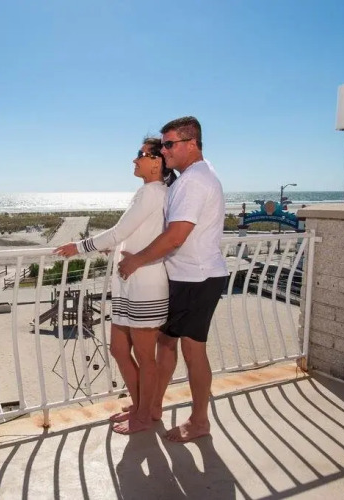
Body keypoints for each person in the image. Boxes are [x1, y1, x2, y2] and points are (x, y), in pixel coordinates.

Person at [118, 116, 227, 443]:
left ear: (191, 144)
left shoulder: (194, 181)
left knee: (193, 352)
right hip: (184, 277)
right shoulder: (197, 175)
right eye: (163, 145)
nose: (163, 151)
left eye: (169, 144)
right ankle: (152, 407)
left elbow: (176, 235)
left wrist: (137, 260)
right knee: (166, 344)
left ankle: (199, 421)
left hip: (198, 278)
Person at [54, 137, 171, 434]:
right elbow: (132, 235)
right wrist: (115, 249)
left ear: (157, 162)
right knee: (119, 349)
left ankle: (144, 414)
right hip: (128, 283)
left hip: (145, 285)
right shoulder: (148, 192)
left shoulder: (153, 193)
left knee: (145, 357)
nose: (135, 159)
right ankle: (141, 404)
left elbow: (120, 231)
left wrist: (79, 247)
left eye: (141, 154)